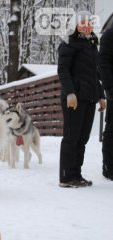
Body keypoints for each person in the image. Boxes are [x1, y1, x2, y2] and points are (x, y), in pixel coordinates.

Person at [57, 11, 106, 188]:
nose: (86, 26)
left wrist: (101, 95)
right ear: (76, 25)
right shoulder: (69, 42)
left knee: (82, 138)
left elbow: (95, 75)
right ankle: (66, 177)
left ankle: (76, 174)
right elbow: (63, 70)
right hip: (74, 98)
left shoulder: (91, 44)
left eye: (89, 23)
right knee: (72, 137)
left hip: (88, 97)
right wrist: (70, 93)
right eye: (83, 23)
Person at [99, 20, 113, 181]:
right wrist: (109, 88)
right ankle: (109, 167)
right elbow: (103, 63)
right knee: (112, 129)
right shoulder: (109, 36)